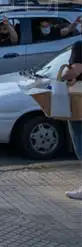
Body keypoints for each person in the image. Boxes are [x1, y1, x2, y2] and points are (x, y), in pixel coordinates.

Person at [57, 41, 82, 200]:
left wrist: (64, 76)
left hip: (79, 103)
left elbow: (76, 70)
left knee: (80, 143)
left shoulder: (80, 46)